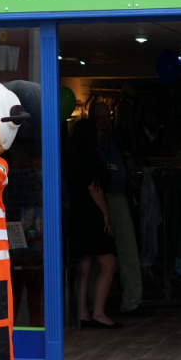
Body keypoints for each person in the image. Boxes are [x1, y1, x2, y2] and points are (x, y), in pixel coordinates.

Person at [89, 101, 146, 317]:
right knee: (99, 253)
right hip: (99, 198)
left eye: (108, 117)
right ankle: (96, 305)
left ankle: (132, 301)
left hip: (118, 197)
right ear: (92, 118)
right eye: (101, 118)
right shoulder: (91, 143)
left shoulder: (114, 140)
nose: (106, 121)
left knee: (127, 250)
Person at [66, 116, 122, 329]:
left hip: (77, 214)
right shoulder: (90, 156)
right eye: (98, 132)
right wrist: (106, 213)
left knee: (85, 265)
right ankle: (98, 312)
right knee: (109, 264)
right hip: (92, 214)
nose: (101, 135)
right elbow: (94, 187)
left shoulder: (72, 156)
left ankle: (83, 314)